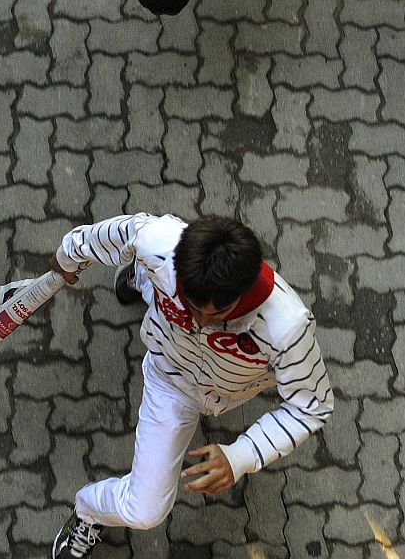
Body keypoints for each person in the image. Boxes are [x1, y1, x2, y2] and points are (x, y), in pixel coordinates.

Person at [48, 212, 334, 558]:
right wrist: (67, 258)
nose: (201, 323)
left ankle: (141, 280)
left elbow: (310, 406)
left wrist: (241, 455)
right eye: (193, 306)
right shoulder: (156, 240)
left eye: (218, 315)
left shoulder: (288, 326)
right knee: (145, 512)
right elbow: (101, 236)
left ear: (242, 293)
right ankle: (88, 512)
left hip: (222, 395)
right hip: (168, 380)